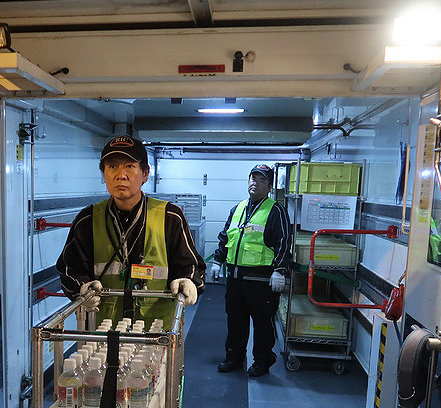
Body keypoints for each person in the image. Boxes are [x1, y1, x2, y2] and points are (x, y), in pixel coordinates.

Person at [57, 135, 205, 326]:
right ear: (103, 174)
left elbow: (192, 266)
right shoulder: (87, 219)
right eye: (112, 167)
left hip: (157, 328)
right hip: (103, 326)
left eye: (129, 166)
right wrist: (82, 288)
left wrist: (188, 281)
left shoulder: (170, 216)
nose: (121, 174)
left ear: (145, 173)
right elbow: (70, 269)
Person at [210, 164, 291, 377]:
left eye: (261, 180)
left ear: (270, 186)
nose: (255, 182)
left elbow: (284, 241)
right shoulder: (238, 208)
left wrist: (280, 270)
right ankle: (234, 358)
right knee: (235, 321)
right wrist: (217, 261)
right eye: (252, 178)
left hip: (261, 280)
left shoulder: (276, 210)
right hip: (236, 279)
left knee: (263, 324)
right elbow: (226, 236)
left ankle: (263, 362)